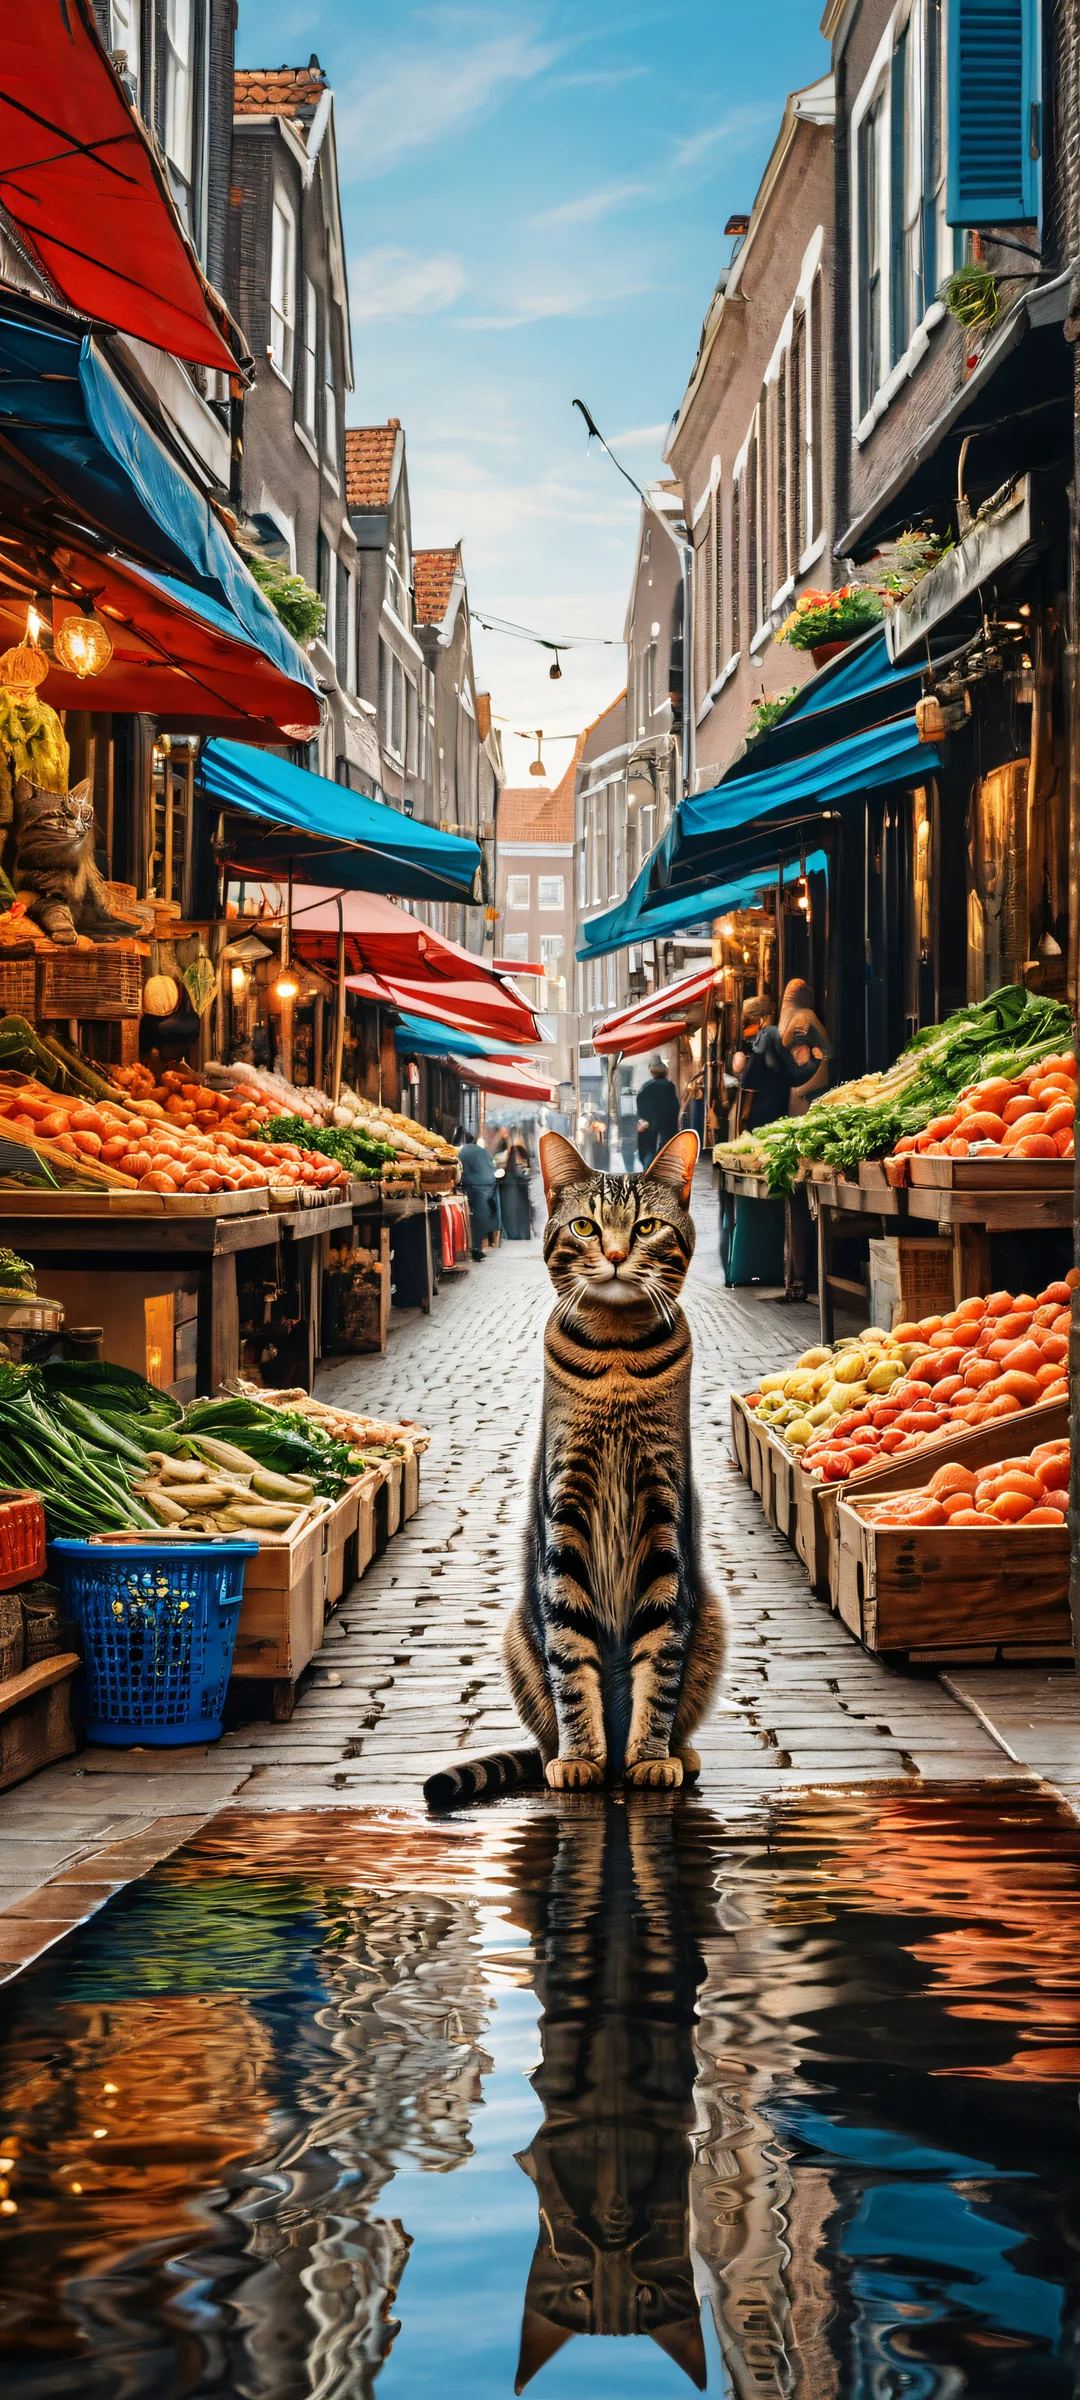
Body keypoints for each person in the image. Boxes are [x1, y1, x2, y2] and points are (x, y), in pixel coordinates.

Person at [456, 1128, 500, 1261]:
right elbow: (491, 1167)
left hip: (473, 1186)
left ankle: (474, 1248)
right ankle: (478, 1247)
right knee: (481, 1215)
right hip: (487, 1185)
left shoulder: (462, 1151)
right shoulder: (482, 1151)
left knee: (473, 1217)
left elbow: (459, 1170)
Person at [636, 1054, 680, 1169]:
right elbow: (675, 1106)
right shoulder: (670, 1086)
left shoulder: (646, 1087)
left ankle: (648, 1172)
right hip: (667, 1124)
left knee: (648, 1152)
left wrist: (643, 1120)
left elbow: (641, 1106)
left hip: (650, 1124)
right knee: (664, 1150)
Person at [499, 1137, 534, 1240]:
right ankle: (515, 1235)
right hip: (515, 1188)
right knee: (514, 1214)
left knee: (516, 1215)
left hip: (517, 1189)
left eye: (519, 1155)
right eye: (516, 1156)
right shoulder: (512, 1174)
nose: (518, 1158)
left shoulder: (515, 1172)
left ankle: (517, 1234)